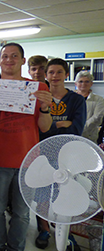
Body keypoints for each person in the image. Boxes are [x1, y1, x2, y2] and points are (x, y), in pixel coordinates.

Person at [0, 43, 53, 251]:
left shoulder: (39, 88)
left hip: (29, 161)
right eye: (5, 56)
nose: (9, 60)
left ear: (23, 60)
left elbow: (45, 127)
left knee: (22, 212)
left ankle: (16, 247)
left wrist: (46, 107)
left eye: (14, 56)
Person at [34, 58, 87, 250]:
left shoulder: (77, 100)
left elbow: (76, 129)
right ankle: (44, 228)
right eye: (51, 72)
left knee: (64, 193)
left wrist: (51, 127)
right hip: (42, 153)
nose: (54, 76)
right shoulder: (39, 98)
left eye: (59, 72)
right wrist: (60, 124)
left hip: (67, 154)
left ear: (66, 75)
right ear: (46, 75)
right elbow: (39, 130)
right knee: (42, 193)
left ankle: (65, 229)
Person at [75, 71, 104, 143]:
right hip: (71, 135)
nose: (83, 84)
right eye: (80, 81)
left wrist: (79, 129)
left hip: (89, 138)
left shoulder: (99, 99)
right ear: (76, 84)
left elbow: (97, 118)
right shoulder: (70, 98)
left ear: (91, 84)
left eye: (87, 81)